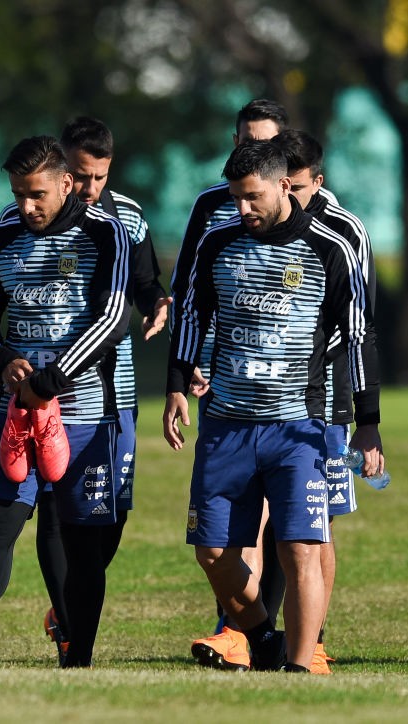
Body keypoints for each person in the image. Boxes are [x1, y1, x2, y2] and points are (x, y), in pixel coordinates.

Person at [0, 117, 168, 661]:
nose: (25, 207)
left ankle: (76, 653)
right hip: (13, 409)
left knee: (81, 540)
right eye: (17, 194)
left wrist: (48, 382)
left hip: (86, 412)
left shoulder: (107, 230)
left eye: (36, 195)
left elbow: (113, 318)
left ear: (66, 184)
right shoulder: (5, 231)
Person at [164, 140, 381, 672]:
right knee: (213, 552)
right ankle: (263, 639)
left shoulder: (332, 248)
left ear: (286, 185)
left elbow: (358, 339)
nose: (244, 209)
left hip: (298, 428)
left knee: (300, 548)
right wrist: (175, 383)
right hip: (227, 425)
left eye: (253, 197)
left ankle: (301, 666)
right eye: (237, 198)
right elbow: (191, 315)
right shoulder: (218, 244)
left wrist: (368, 424)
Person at [174, 99, 293, 669]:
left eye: (265, 141)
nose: (251, 147)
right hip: (225, 382)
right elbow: (189, 290)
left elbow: (342, 312)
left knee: (283, 524)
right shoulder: (210, 207)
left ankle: (266, 637)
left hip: (289, 394)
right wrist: (186, 363)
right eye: (244, 138)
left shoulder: (320, 217)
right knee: (222, 531)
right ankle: (251, 631)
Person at [270, 128, 383, 673]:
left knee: (318, 521)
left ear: (318, 181)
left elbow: (355, 322)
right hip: (263, 396)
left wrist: (303, 358)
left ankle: (311, 640)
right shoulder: (256, 224)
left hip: (327, 393)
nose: (286, 199)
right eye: (280, 187)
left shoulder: (344, 233)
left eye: (296, 187)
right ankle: (255, 632)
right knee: (267, 519)